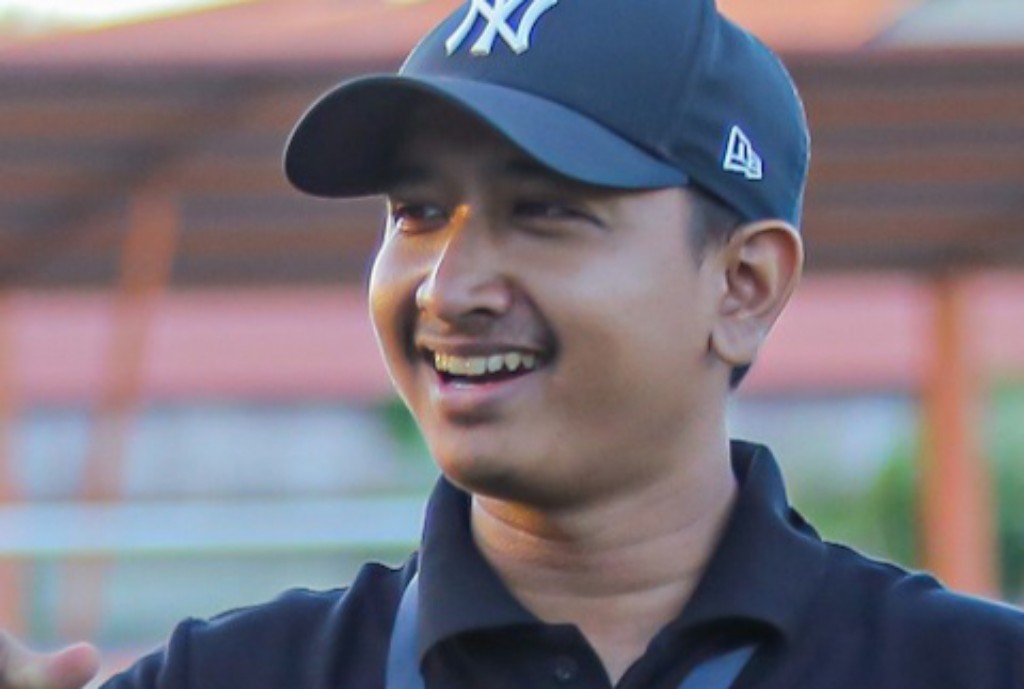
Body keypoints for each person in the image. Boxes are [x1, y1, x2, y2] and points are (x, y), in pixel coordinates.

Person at [3, 0, 1023, 688]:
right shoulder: (233, 675)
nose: (450, 287)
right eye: (417, 211)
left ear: (744, 284)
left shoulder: (965, 668)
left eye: (544, 210)